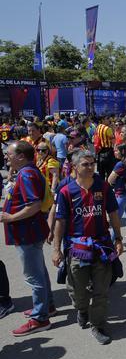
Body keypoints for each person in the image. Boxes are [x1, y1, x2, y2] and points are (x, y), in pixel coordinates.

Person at [52, 150, 124, 344]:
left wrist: (118, 238)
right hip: (76, 250)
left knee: (101, 290)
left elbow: (114, 213)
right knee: (78, 290)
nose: (91, 167)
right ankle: (82, 310)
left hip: (101, 246)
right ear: (75, 168)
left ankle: (98, 324)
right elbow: (60, 221)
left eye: (92, 163)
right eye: (85, 164)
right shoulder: (66, 191)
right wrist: (56, 248)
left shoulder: (103, 188)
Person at [0, 141, 55, 336]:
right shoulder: (26, 172)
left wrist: (10, 217)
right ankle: (47, 306)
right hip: (29, 231)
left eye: (9, 154)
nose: (6, 157)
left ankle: (40, 318)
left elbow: (33, 205)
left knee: (33, 276)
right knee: (39, 270)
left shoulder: (27, 174)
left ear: (21, 156)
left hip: (27, 232)